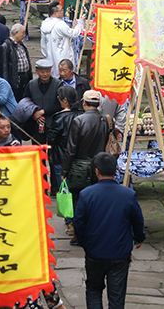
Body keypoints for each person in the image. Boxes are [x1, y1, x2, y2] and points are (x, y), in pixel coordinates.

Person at [74, 152, 144, 309]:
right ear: (116, 169)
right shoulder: (128, 194)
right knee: (117, 297)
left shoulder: (86, 194)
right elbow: (137, 220)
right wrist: (139, 237)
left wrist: (83, 242)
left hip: (94, 252)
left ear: (96, 171)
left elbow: (79, 222)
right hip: (119, 253)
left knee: (93, 289)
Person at [63, 90, 110, 246]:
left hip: (79, 167)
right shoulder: (105, 120)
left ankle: (79, 233)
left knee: (78, 200)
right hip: (99, 165)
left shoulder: (78, 121)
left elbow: (71, 149)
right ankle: (97, 232)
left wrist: (65, 170)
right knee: (97, 200)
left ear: (84, 103)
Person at [46, 85, 82, 213]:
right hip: (80, 159)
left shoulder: (59, 118)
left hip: (61, 159)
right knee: (79, 192)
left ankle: (69, 221)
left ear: (64, 100)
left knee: (65, 191)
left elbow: (51, 139)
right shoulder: (82, 116)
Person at [22, 59, 63, 145]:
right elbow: (26, 102)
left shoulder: (58, 84)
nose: (45, 74)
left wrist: (43, 112)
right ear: (36, 71)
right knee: (38, 149)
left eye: (47, 71)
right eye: (42, 72)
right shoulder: (31, 84)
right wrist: (34, 114)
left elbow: (60, 104)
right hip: (36, 124)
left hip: (52, 123)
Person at [41, 2, 85, 78]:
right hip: (62, 56)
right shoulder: (60, 24)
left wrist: (46, 55)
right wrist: (80, 23)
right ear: (55, 13)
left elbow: (43, 44)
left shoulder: (44, 24)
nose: (63, 12)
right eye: (61, 10)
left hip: (50, 56)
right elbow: (74, 34)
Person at [0, 24, 32, 102]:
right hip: (15, 80)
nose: (24, 35)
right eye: (23, 33)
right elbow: (4, 67)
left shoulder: (21, 45)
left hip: (25, 79)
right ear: (16, 32)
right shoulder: (6, 46)